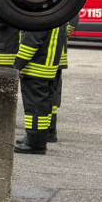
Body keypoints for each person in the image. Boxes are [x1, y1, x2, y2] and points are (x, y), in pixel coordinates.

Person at [12, 27, 64, 155]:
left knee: (35, 109)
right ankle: (37, 139)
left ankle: (35, 143)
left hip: (35, 69)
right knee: (43, 109)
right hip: (48, 67)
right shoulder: (57, 15)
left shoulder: (41, 18)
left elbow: (31, 42)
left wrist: (18, 65)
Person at [47, 14, 80, 143]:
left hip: (53, 58)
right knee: (51, 95)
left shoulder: (61, 4)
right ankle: (50, 129)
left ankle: (50, 130)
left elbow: (74, 17)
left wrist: (63, 34)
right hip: (53, 57)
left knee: (51, 95)